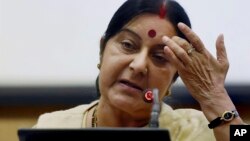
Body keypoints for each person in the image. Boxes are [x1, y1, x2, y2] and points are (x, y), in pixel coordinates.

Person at [34, 0, 247, 141]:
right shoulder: (52, 127)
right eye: (128, 45)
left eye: (159, 57)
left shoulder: (201, 130)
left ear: (173, 80)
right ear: (102, 51)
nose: (138, 66)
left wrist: (216, 98)